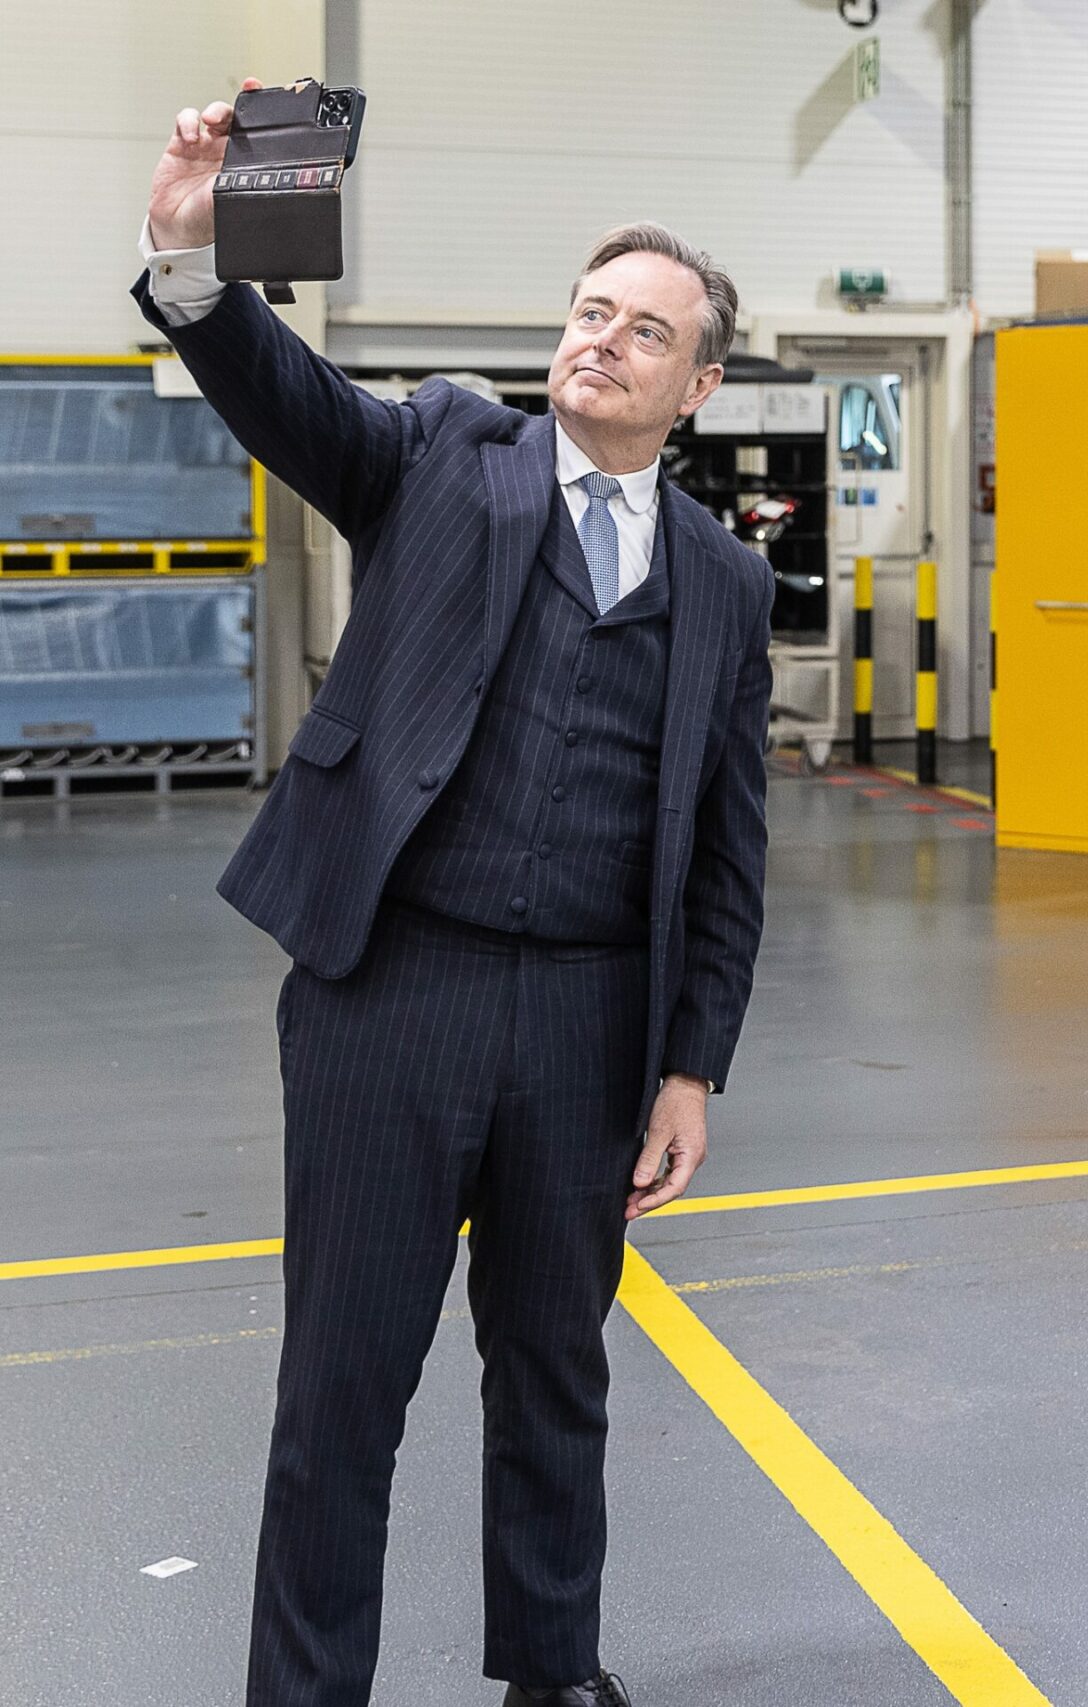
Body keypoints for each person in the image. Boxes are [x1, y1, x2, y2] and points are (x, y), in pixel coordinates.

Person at [140, 80, 773, 1707]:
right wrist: (194, 258)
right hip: (391, 1000)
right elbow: (287, 393)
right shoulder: (440, 452)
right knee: (342, 1392)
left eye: (645, 330)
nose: (602, 340)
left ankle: (551, 1675)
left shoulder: (724, 581)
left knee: (558, 1378)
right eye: (590, 310)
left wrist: (690, 1065)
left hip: (589, 1029)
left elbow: (727, 850)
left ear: (699, 386)